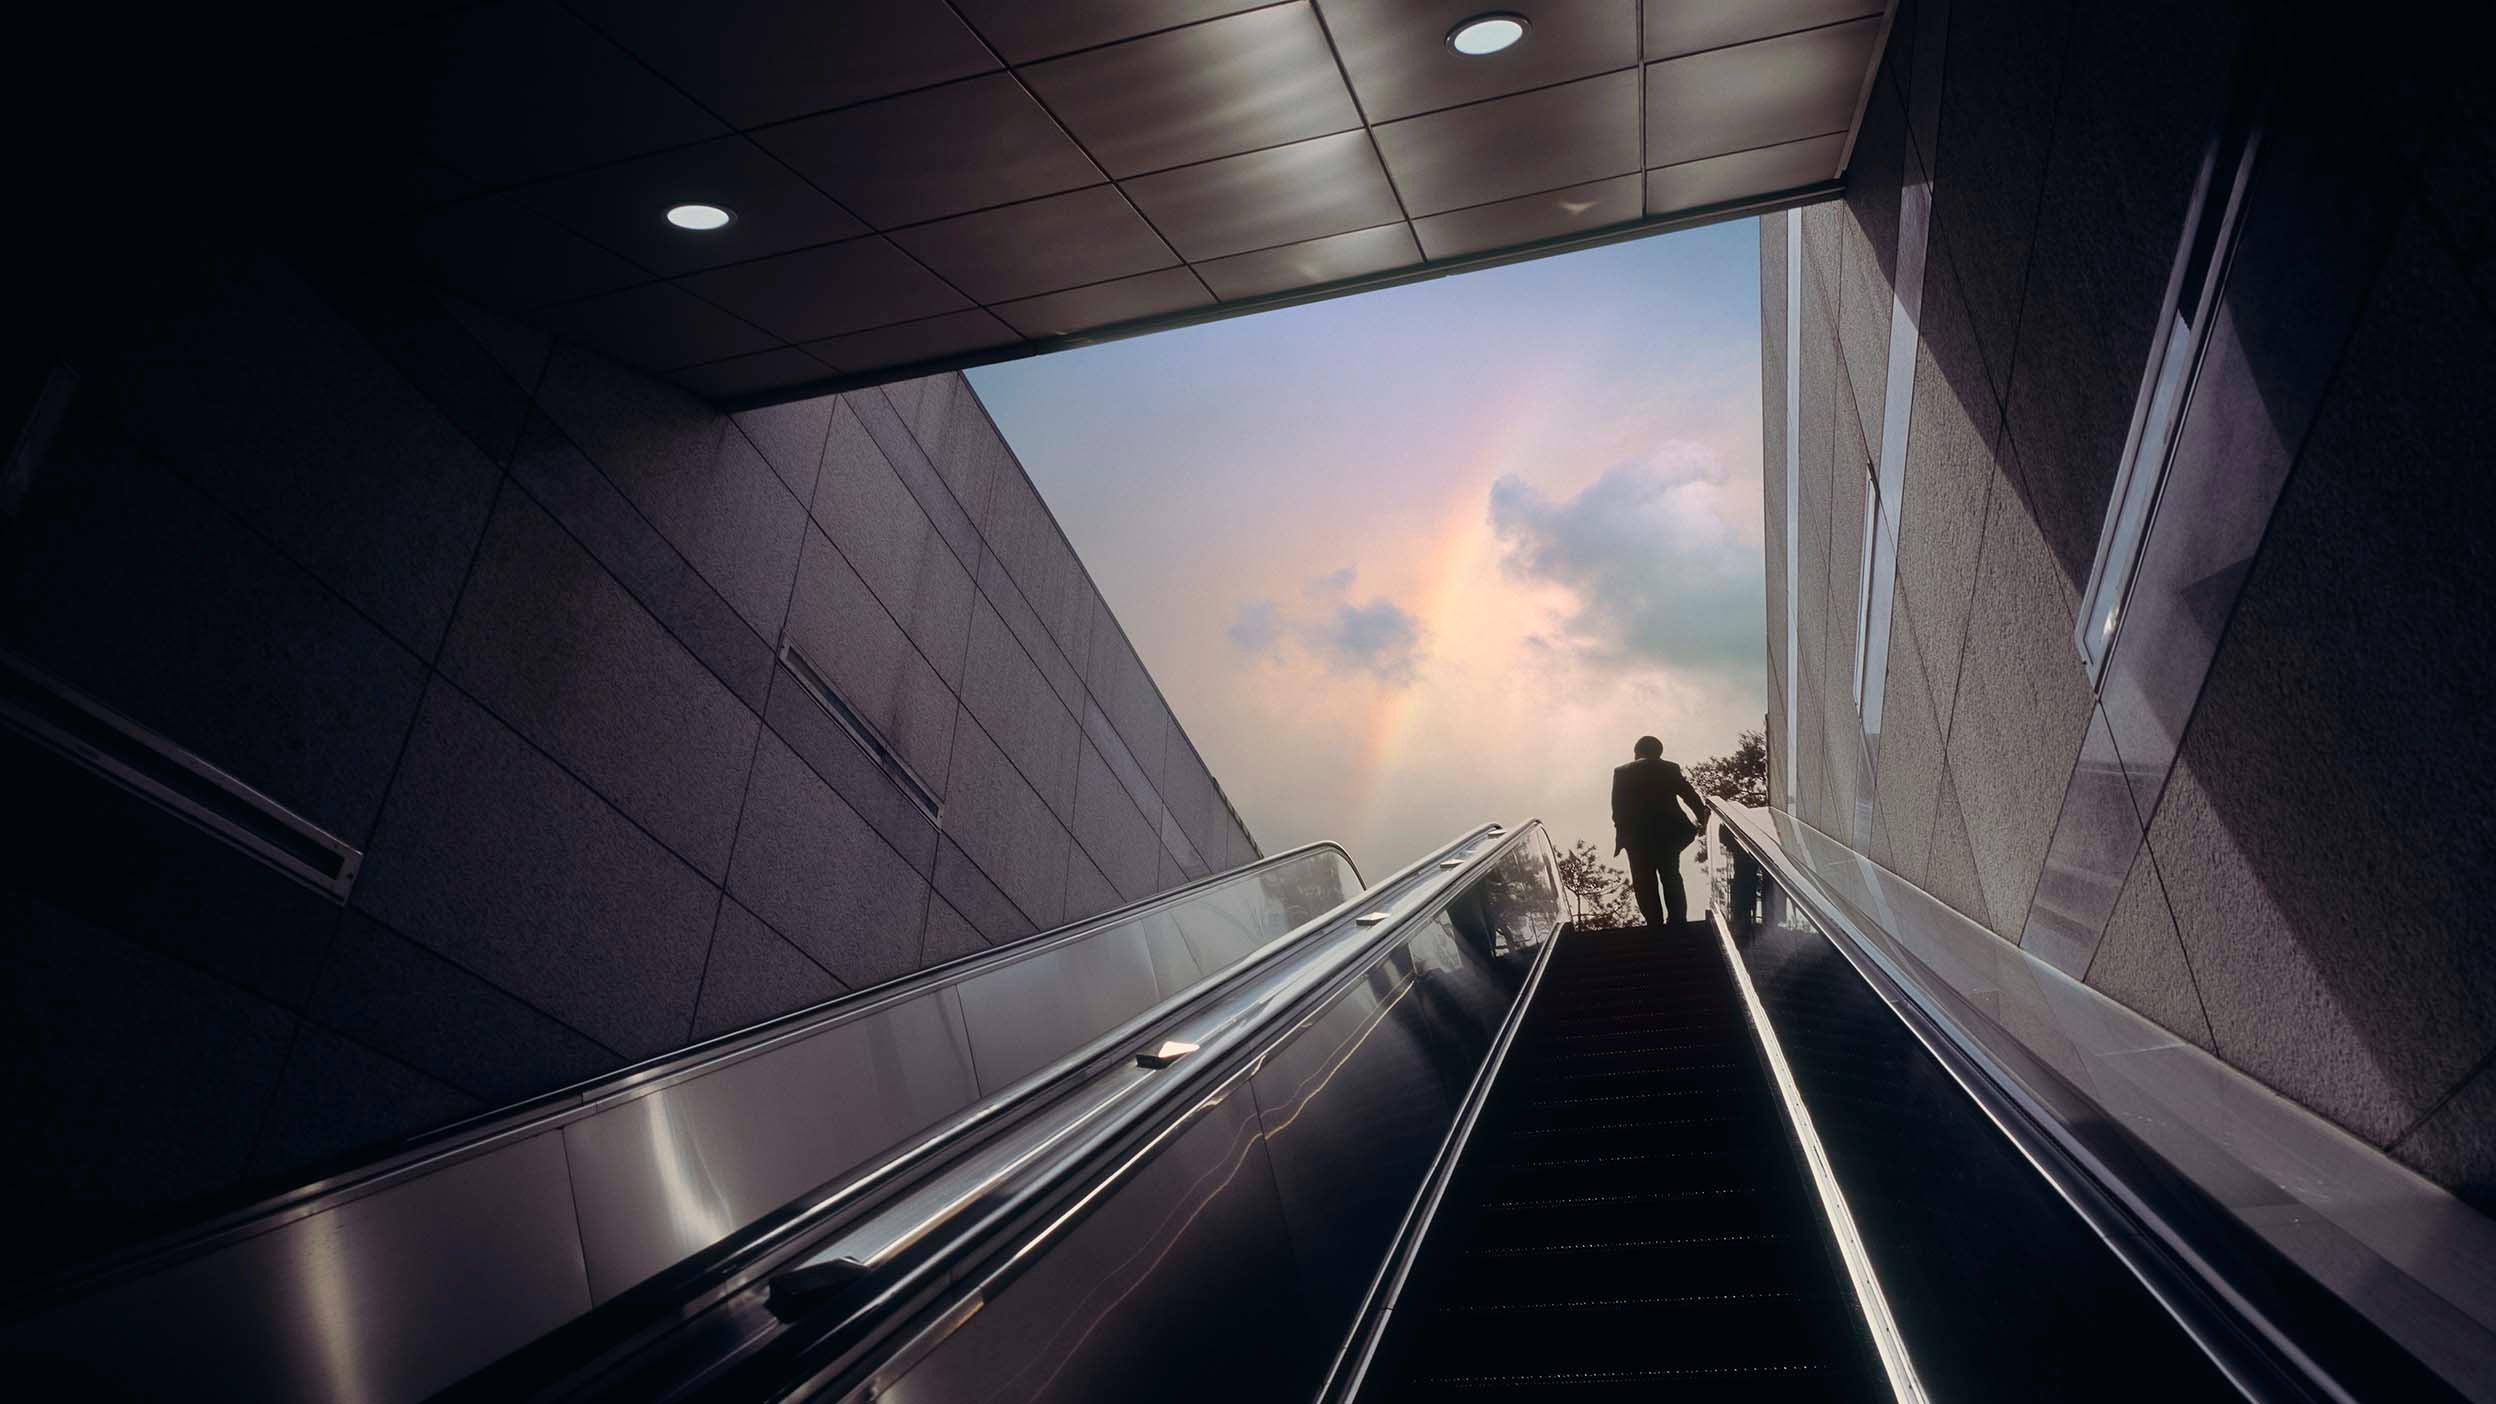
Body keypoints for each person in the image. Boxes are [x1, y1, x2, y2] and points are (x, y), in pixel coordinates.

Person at [1612, 736, 1708, 929]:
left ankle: (1654, 923)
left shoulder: (1622, 772)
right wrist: (1703, 819)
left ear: (1637, 751)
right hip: (1669, 834)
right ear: (1659, 753)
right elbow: (1689, 795)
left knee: (1643, 880)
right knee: (1670, 874)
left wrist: (1622, 836)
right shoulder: (1669, 768)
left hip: (1637, 837)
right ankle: (1678, 921)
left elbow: (1618, 808)